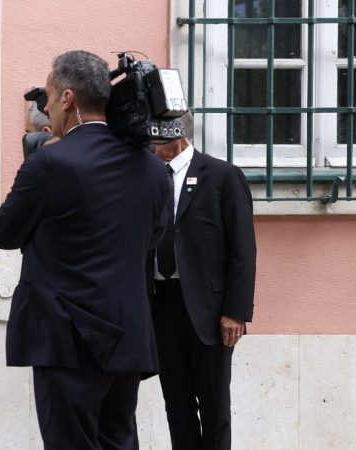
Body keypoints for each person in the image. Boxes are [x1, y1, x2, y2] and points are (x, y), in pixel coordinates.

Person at [0, 50, 171, 450]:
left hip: (68, 339)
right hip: (127, 336)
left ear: (68, 99)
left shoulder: (51, 163)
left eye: (49, 98)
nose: (46, 109)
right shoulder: (154, 169)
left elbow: (2, 231)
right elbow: (155, 235)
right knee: (118, 441)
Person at [150, 112, 256, 450]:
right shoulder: (147, 177)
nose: (151, 144)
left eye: (157, 136)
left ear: (178, 135)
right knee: (176, 406)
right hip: (161, 303)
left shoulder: (222, 176)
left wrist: (236, 312)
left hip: (209, 311)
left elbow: (243, 249)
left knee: (214, 407)